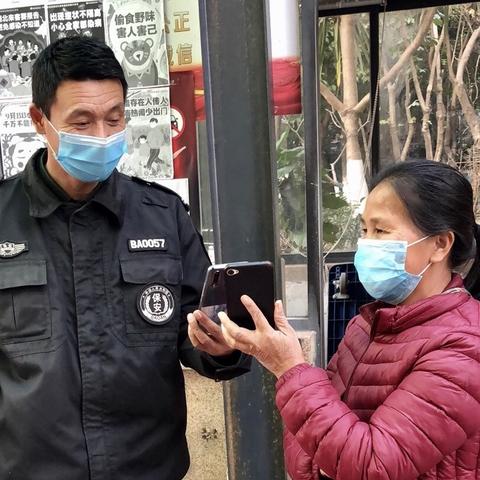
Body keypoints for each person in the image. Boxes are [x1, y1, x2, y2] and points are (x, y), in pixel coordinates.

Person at [0, 36, 249, 480]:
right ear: (40, 120)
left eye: (114, 119)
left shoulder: (162, 216)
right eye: (82, 122)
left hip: (147, 468)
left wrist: (223, 347)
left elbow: (199, 329)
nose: (102, 136)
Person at [218, 159, 480, 479]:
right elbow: (315, 443)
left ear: (440, 244)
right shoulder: (366, 325)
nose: (366, 244)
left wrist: (290, 369)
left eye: (381, 230)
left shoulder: (465, 347)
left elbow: (373, 466)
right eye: (364, 229)